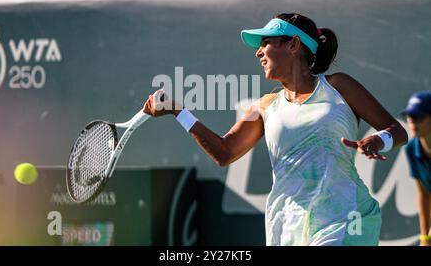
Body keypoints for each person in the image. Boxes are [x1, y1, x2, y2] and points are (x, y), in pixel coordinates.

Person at [143, 13, 408, 246]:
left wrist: (378, 139)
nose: (258, 52)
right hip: (287, 224)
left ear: (293, 44)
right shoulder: (265, 106)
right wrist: (179, 112)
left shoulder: (338, 86)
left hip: (345, 217)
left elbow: (397, 130)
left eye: (266, 43)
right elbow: (224, 152)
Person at [403, 90, 431, 246]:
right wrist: (425, 237)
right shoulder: (412, 149)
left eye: (419, 117)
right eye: (409, 116)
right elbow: (424, 194)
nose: (412, 121)